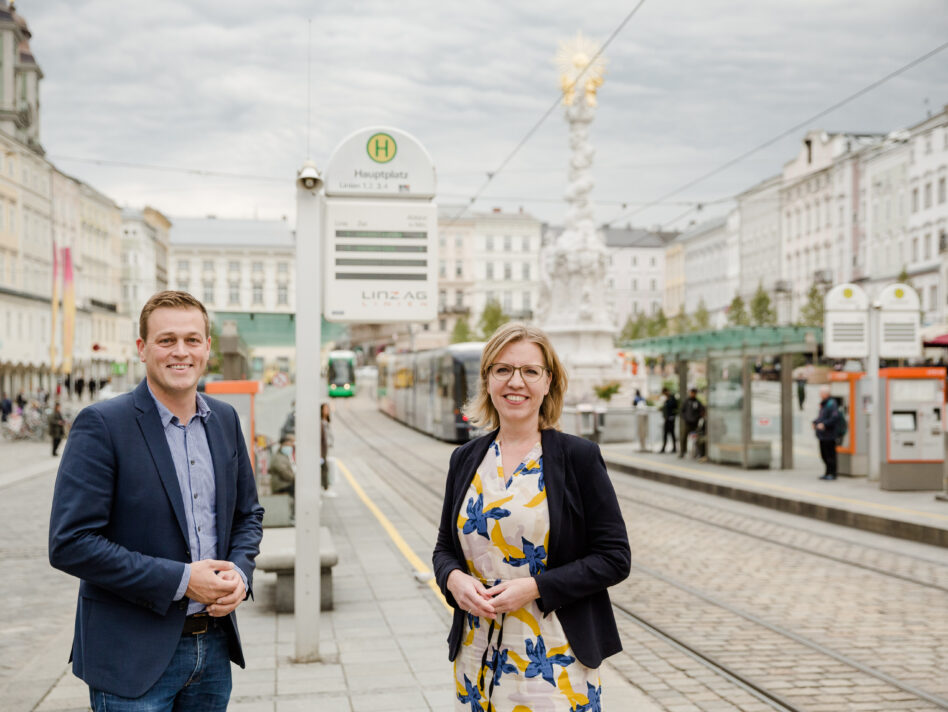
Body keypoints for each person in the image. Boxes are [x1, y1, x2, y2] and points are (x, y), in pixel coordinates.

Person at [48, 290, 264, 711]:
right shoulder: (102, 425)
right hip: (132, 657)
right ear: (142, 350)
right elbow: (70, 543)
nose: (180, 352)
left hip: (213, 650)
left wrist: (240, 572)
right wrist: (183, 580)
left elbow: (247, 515)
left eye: (192, 340)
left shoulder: (223, 419)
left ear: (206, 349)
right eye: (166, 341)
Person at [433, 323, 631, 711]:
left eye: (529, 371)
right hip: (476, 657)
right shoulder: (466, 459)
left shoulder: (577, 457)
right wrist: (453, 579)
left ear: (547, 381)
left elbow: (614, 558)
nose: (515, 382)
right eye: (502, 370)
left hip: (554, 658)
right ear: (488, 379)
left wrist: (534, 587)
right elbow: (444, 547)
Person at [813, 385, 840, 480]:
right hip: (823, 435)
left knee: (830, 455)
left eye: (821, 393)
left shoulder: (831, 403)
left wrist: (824, 424)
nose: (820, 394)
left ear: (826, 393)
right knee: (824, 454)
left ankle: (832, 473)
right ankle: (827, 472)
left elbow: (834, 417)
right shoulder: (824, 403)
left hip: (829, 434)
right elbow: (821, 416)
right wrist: (815, 422)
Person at [679, 387, 706, 459]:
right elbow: (682, 411)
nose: (692, 394)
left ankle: (699, 453)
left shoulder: (697, 402)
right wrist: (686, 418)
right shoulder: (686, 401)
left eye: (694, 393)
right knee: (683, 437)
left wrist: (697, 417)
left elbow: (702, 411)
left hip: (695, 423)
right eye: (691, 393)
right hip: (687, 423)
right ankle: (683, 452)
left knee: (697, 438)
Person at [320, 402, 335, 495]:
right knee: (324, 468)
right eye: (325, 409)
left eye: (328, 409)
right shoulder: (321, 422)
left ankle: (326, 487)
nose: (327, 411)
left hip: (326, 449)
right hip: (322, 450)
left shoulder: (326, 421)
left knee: (326, 468)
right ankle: (325, 488)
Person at [659, 387, 678, 453]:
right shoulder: (666, 399)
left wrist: (667, 402)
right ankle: (664, 447)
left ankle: (674, 448)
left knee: (672, 433)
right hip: (666, 419)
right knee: (665, 434)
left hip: (671, 419)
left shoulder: (672, 398)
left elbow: (674, 406)